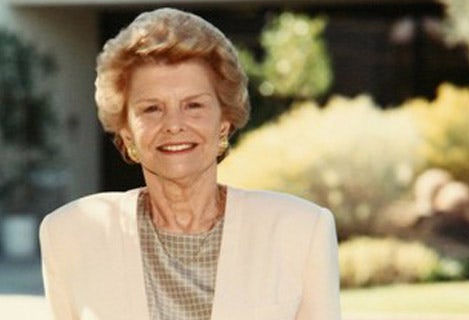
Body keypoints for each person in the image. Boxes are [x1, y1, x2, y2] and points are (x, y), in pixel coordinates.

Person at [40, 7, 341, 320]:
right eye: (152, 109)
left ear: (223, 123)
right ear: (127, 132)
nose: (174, 124)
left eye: (193, 105)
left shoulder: (301, 230)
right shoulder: (70, 235)